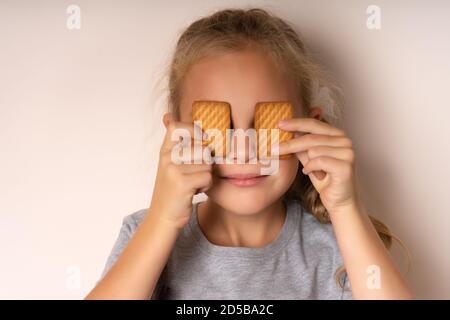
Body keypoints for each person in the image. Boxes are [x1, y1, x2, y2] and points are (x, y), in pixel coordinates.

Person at [86, 8, 413, 300]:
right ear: (176, 134)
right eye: (218, 126)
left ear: (308, 129)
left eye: (266, 123)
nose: (244, 150)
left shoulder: (337, 246)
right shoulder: (147, 234)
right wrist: (163, 219)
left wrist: (346, 208)